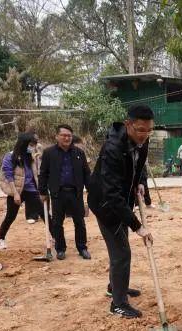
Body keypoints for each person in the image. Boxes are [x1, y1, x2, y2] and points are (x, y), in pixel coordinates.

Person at [87, 105, 154, 318]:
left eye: (149, 130)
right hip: (105, 204)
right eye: (140, 130)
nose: (144, 135)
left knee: (120, 248)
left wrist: (141, 182)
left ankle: (115, 287)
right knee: (121, 252)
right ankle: (118, 303)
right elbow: (111, 194)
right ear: (128, 125)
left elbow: (140, 165)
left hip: (121, 201)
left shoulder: (142, 140)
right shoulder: (112, 149)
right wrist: (138, 226)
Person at [38, 125, 91, 260]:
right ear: (57, 136)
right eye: (64, 135)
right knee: (57, 223)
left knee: (79, 221)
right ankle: (60, 249)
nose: (67, 138)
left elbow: (86, 173)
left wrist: (91, 189)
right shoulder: (49, 153)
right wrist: (42, 191)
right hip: (58, 193)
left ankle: (82, 248)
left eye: (69, 136)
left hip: (75, 193)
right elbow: (43, 173)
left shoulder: (79, 153)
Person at [0, 133, 51, 249]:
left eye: (34, 145)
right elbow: (8, 175)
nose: (33, 147)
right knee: (10, 216)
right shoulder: (10, 156)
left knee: (44, 213)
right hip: (17, 190)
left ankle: (55, 236)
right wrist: (15, 194)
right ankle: (1, 239)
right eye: (31, 144)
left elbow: (36, 172)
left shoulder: (30, 155)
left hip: (31, 189)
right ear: (23, 144)